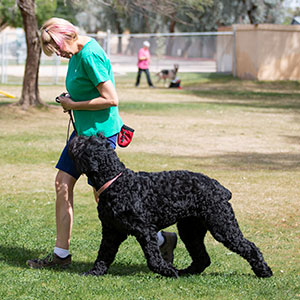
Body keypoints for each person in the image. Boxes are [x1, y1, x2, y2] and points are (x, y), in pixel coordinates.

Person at [26, 18, 177, 269]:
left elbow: (111, 98)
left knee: (107, 198)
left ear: (67, 35)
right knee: (62, 184)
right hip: (82, 133)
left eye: (57, 47)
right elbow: (87, 90)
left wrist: (73, 105)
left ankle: (160, 239)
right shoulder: (74, 54)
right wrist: (71, 99)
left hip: (100, 136)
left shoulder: (89, 55)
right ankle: (60, 255)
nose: (58, 53)